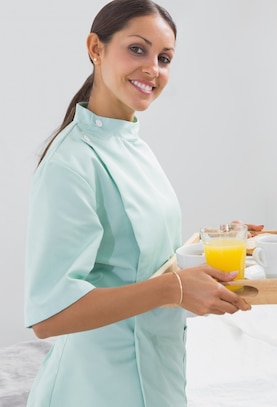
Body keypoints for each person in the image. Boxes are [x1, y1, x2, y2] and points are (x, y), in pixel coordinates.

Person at [24, 1, 253, 406]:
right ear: (96, 47)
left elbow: (141, 261)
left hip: (158, 372)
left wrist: (218, 246)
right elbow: (48, 316)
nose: (153, 68)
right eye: (137, 49)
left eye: (164, 58)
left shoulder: (132, 143)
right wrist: (174, 288)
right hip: (97, 387)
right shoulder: (70, 163)